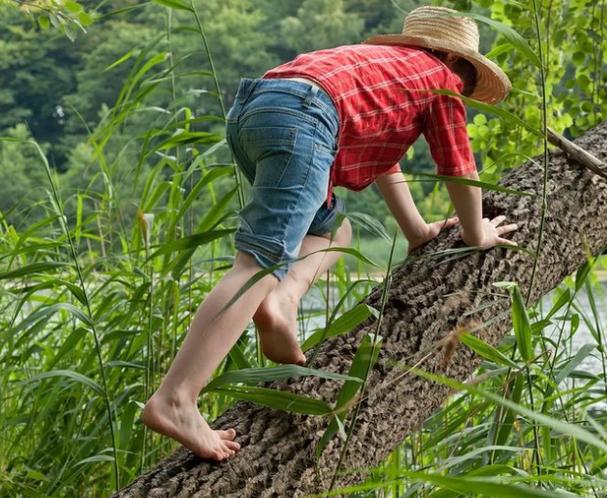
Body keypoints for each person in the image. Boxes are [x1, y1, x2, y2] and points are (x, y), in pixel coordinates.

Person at [140, 5, 519, 461]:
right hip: (306, 117)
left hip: (258, 111)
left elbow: (385, 162)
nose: (464, 90)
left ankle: (281, 302)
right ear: (454, 60)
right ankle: (176, 398)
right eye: (468, 81)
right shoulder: (441, 78)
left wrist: (417, 230)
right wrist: (477, 234)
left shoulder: (380, 67)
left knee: (334, 229)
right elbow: (458, 166)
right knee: (259, 262)